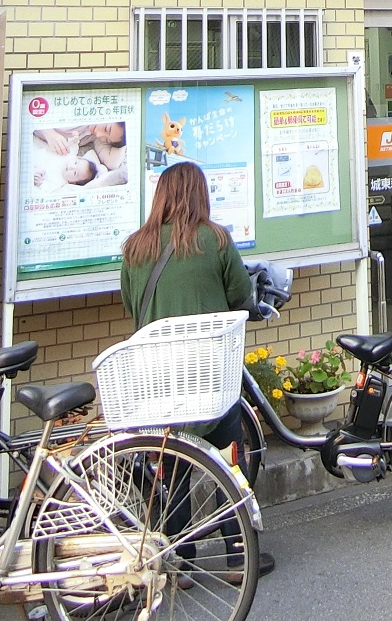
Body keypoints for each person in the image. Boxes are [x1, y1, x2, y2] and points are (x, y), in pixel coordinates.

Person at [119, 162, 273, 580]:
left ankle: (178, 562)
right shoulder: (216, 240)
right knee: (228, 462)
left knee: (171, 469)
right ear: (199, 194)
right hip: (209, 377)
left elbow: (131, 305)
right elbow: (242, 298)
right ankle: (238, 556)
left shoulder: (135, 247)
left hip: (155, 379)